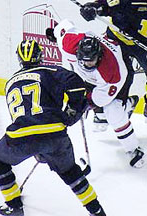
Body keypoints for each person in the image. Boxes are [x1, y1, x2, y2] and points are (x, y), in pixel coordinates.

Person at [0, 39, 106, 216]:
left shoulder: (10, 82)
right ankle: (96, 211)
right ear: (40, 56)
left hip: (21, 137)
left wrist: (36, 146)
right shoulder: (51, 70)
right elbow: (77, 85)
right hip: (55, 136)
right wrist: (73, 110)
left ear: (19, 59)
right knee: (71, 172)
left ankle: (13, 206)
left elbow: (25, 117)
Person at [46, 19, 145, 168]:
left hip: (121, 68)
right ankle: (120, 108)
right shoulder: (69, 43)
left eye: (91, 61)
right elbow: (65, 26)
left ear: (98, 55)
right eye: (84, 61)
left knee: (114, 112)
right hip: (101, 67)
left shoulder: (113, 74)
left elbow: (99, 99)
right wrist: (54, 33)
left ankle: (133, 149)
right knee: (100, 112)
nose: (87, 64)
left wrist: (83, 104)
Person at [80, 0, 147, 121]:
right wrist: (93, 7)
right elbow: (105, 5)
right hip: (117, 38)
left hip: (143, 44)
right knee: (118, 73)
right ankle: (103, 107)